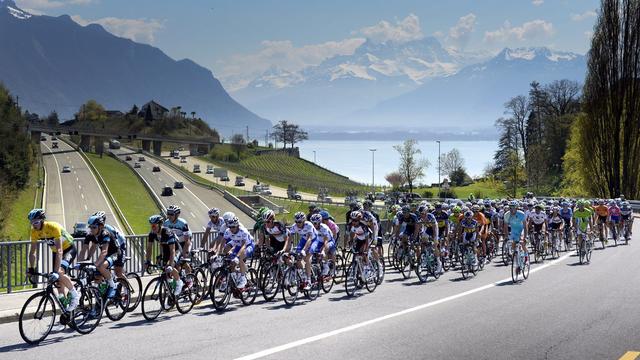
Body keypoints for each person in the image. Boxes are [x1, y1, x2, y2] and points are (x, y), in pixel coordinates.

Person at [27, 209, 79, 311]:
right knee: (58, 281)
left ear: (42, 220)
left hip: (68, 249)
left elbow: (60, 250)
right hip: (56, 252)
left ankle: (75, 295)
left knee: (59, 272)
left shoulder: (52, 227)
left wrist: (56, 271)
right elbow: (32, 252)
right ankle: (66, 310)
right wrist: (30, 268)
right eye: (31, 222)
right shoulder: (34, 232)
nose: (34, 225)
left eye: (36, 222)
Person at [82, 214, 122, 298]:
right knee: (97, 275)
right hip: (107, 255)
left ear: (100, 227)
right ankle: (99, 298)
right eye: (90, 227)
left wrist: (96, 263)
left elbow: (104, 251)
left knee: (101, 267)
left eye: (94, 227)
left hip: (115, 253)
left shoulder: (105, 234)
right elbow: (89, 248)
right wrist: (84, 260)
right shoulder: (91, 235)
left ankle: (113, 285)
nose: (91, 229)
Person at [84, 211, 127, 281]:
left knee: (118, 271)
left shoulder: (108, 229)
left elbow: (116, 243)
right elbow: (94, 246)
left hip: (119, 245)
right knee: (102, 269)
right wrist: (88, 258)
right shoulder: (97, 231)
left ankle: (126, 287)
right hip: (108, 249)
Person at [145, 215, 182, 295]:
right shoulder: (152, 234)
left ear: (160, 225)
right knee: (166, 272)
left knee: (169, 266)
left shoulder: (167, 232)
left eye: (154, 225)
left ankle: (179, 283)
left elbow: (172, 250)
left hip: (176, 250)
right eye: (151, 225)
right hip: (166, 249)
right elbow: (149, 248)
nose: (152, 227)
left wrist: (171, 265)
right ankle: (171, 290)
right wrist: (147, 261)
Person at [221, 216, 254, 288]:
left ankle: (243, 278)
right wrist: (219, 254)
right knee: (231, 263)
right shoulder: (228, 231)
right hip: (237, 243)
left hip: (247, 245)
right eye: (230, 227)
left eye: (233, 227)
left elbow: (243, 246)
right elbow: (223, 242)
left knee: (240, 258)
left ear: (237, 226)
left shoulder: (243, 231)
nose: (231, 229)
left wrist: (237, 257)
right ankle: (237, 274)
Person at [289, 211, 317, 290]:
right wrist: (287, 249)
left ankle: (309, 280)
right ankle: (303, 275)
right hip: (303, 240)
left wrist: (304, 250)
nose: (298, 223)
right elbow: (289, 238)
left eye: (300, 222)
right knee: (297, 258)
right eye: (296, 221)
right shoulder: (294, 226)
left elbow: (309, 239)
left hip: (313, 240)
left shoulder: (309, 225)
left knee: (306, 258)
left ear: (304, 221)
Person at [503, 201, 528, 271]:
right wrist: (507, 236)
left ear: (517, 208)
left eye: (513, 207)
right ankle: (517, 263)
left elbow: (525, 226)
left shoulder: (521, 214)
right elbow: (505, 226)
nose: (511, 209)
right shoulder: (507, 215)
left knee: (522, 243)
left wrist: (525, 237)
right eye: (510, 207)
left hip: (521, 230)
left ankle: (526, 256)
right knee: (514, 246)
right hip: (514, 231)